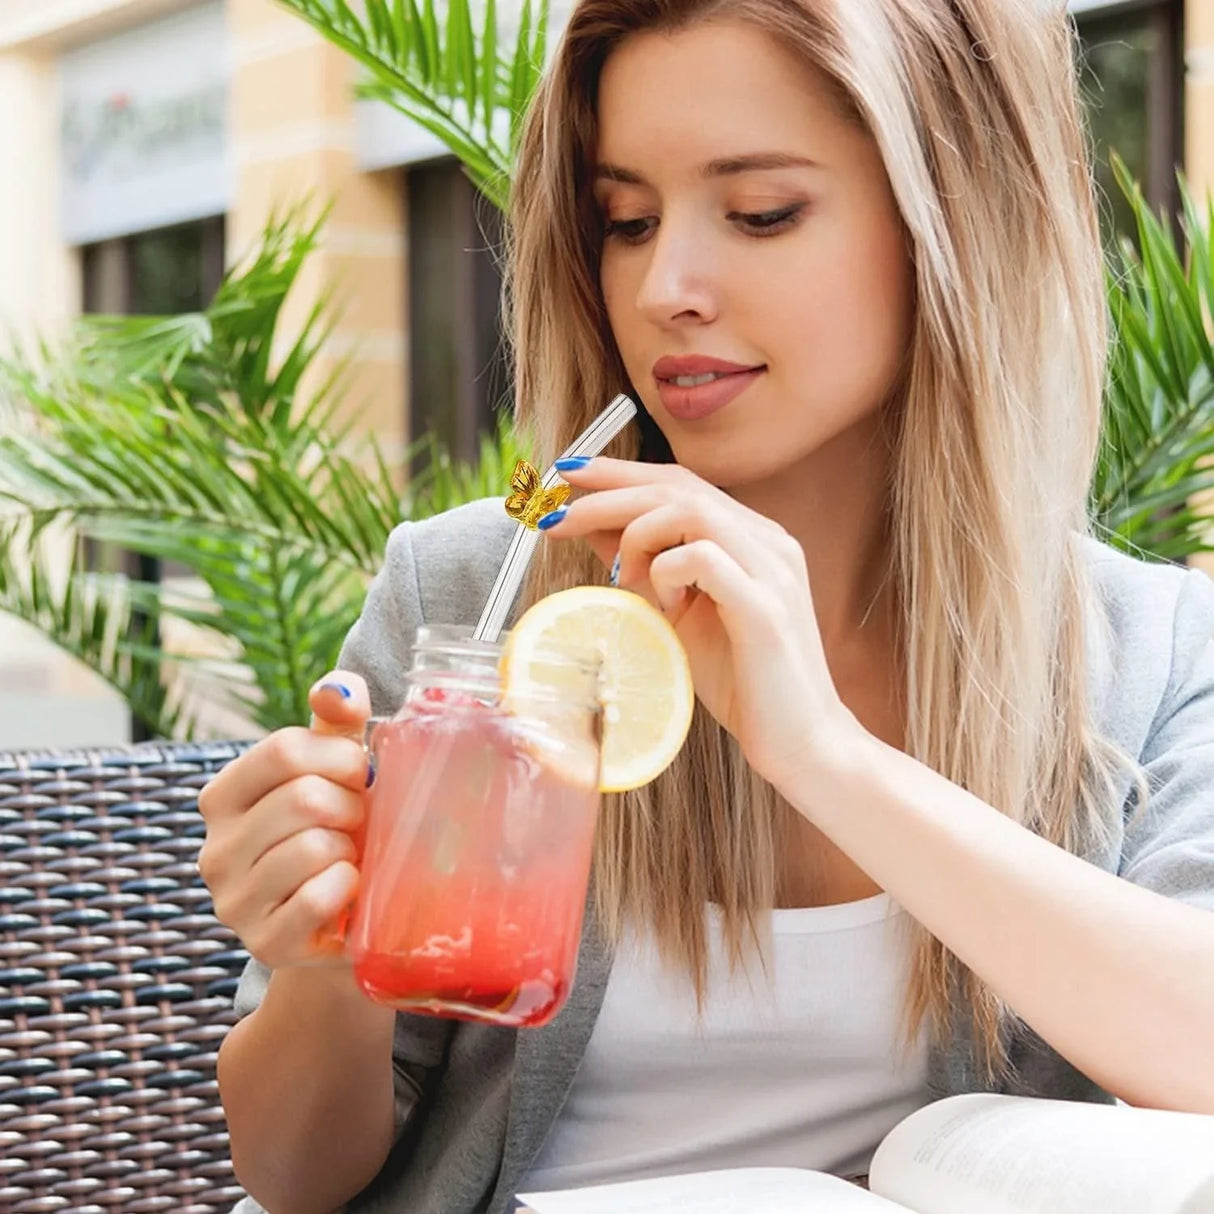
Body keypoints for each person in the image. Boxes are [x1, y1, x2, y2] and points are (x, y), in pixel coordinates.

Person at [198, 0, 1214, 1210]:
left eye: (760, 212)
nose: (663, 285)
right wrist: (317, 967)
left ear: (951, 218)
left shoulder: (1143, 650)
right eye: (624, 220)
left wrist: (824, 753)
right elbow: (296, 1179)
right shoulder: (477, 590)